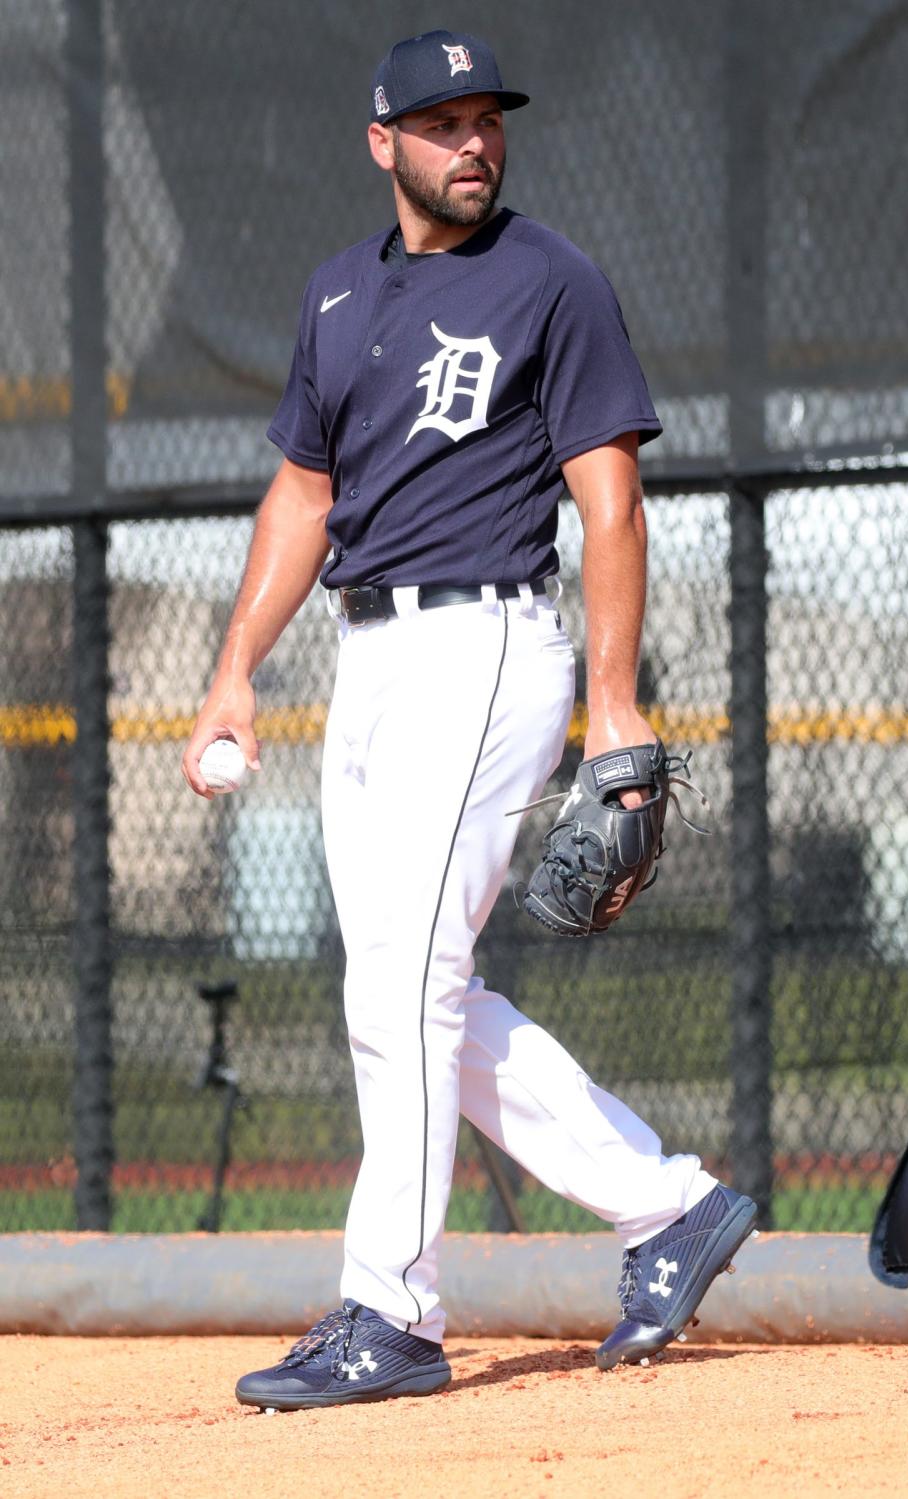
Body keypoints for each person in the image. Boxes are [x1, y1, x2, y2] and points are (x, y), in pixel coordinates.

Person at [183, 29, 757, 1412]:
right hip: (366, 662)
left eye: (486, 118)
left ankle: (395, 1311)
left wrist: (614, 704)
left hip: (492, 645)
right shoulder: (334, 298)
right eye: (439, 123)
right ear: (383, 143)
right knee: (412, 989)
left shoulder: (551, 282)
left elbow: (610, 500)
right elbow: (302, 501)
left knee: (408, 987)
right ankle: (667, 1205)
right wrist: (232, 668)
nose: (473, 143)